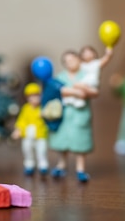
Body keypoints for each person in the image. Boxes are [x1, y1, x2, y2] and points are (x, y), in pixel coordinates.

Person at [48, 50, 97, 183]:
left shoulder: (86, 76)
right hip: (64, 114)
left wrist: (85, 91)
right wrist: (74, 92)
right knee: (62, 141)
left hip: (80, 114)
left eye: (73, 60)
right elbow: (55, 91)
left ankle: (80, 169)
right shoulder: (60, 77)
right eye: (67, 61)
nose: (71, 63)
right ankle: (61, 165)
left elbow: (95, 92)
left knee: (80, 142)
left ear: (79, 60)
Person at [12, 82, 49, 176]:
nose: (34, 99)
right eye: (30, 96)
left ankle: (42, 165)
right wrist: (18, 130)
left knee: (41, 151)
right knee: (27, 150)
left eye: (36, 96)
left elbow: (50, 119)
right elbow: (21, 121)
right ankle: (29, 165)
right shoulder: (25, 109)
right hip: (28, 135)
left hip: (40, 135)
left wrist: (45, 115)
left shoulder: (43, 108)